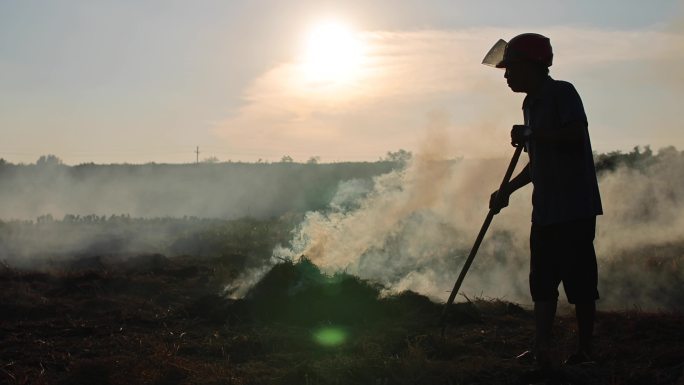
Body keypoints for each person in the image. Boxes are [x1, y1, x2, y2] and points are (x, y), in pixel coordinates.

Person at [484, 33, 603, 370]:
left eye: (511, 68)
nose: (506, 76)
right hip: (546, 209)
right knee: (542, 282)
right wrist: (508, 188)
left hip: (574, 207)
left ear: (532, 66)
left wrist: (532, 135)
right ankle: (541, 349)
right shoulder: (529, 105)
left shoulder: (562, 93)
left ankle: (586, 351)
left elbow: (574, 134)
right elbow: (538, 162)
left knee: (579, 283)